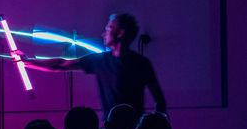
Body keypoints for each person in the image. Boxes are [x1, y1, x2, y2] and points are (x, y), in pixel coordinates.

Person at [24, 13, 166, 118]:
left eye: (108, 29)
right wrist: (28, 61)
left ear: (120, 33)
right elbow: (62, 64)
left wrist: (157, 126)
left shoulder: (140, 64)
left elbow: (159, 100)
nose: (103, 34)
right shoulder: (103, 60)